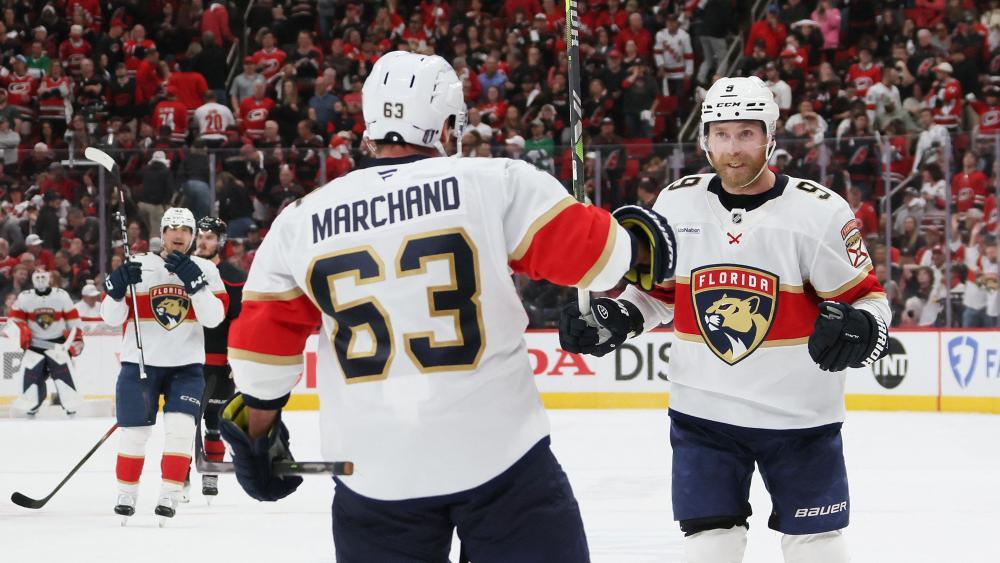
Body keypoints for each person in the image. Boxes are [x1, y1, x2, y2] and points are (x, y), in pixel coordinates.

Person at [221, 51, 675, 561]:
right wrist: (633, 238)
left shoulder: (299, 220)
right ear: (446, 124)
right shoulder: (495, 182)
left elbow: (261, 357)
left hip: (374, 473)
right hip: (500, 458)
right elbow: (608, 257)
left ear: (370, 123)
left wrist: (257, 435)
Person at [560, 76, 890, 563]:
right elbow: (661, 297)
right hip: (703, 415)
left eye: (746, 134)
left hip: (800, 418)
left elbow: (871, 302)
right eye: (721, 134)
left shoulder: (818, 212)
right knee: (710, 546)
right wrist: (618, 316)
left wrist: (865, 331)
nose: (733, 150)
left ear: (771, 136)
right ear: (704, 138)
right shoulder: (677, 201)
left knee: (816, 547)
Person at [101, 207, 227, 525]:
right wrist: (115, 292)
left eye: (186, 228)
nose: (179, 233)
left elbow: (215, 318)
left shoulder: (205, 269)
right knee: (135, 434)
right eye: (172, 227)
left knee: (182, 431)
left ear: (193, 234)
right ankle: (126, 495)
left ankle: (170, 494)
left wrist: (196, 284)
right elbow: (111, 318)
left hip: (185, 368)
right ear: (162, 232)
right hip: (139, 364)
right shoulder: (139, 264)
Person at [192, 216, 245, 499]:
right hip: (185, 360)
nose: (203, 241)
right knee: (184, 422)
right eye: (200, 236)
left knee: (213, 422)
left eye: (210, 237)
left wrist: (236, 359)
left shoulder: (234, 278)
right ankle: (181, 478)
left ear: (220, 242)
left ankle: (210, 473)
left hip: (218, 364)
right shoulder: (181, 271)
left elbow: (239, 322)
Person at [8, 268, 84, 416]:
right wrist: (21, 329)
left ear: (49, 278)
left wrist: (77, 339)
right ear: (32, 278)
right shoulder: (24, 297)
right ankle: (33, 405)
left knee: (65, 382)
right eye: (38, 277)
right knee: (31, 384)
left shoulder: (61, 296)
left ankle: (70, 405)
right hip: (34, 347)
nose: (41, 280)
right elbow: (14, 321)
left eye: (44, 277)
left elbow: (74, 321)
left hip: (58, 346)